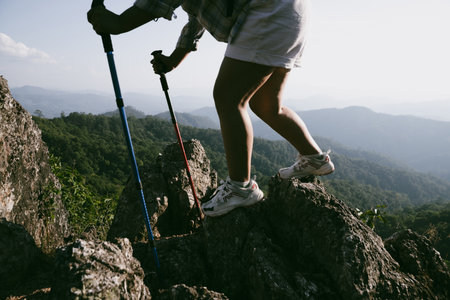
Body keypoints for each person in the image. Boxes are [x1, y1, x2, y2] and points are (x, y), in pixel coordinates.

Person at [88, 0, 334, 218]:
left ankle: (240, 188)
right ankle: (314, 158)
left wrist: (116, 23)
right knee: (267, 104)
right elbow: (196, 18)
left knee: (229, 99)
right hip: (292, 14)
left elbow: (152, 5)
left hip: (268, 12)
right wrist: (174, 60)